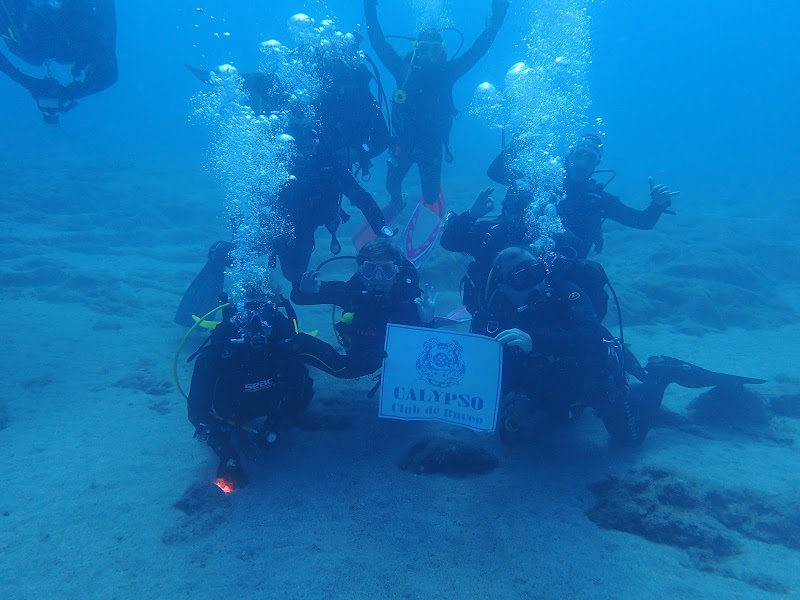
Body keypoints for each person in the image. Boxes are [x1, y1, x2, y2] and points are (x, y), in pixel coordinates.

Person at [483, 246, 765, 446]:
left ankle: (659, 373)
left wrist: (537, 341)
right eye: (522, 277)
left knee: (630, 440)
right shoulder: (496, 311)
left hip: (594, 378)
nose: (535, 283)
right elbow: (474, 354)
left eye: (536, 271)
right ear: (504, 286)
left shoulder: (565, 291)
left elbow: (591, 337)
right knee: (533, 430)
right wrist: (435, 319)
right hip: (548, 384)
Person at [364, 0, 509, 219]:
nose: (429, 54)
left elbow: (476, 52)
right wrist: (369, 6)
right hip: (402, 143)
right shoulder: (403, 71)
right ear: (416, 50)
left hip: (432, 146)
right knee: (391, 186)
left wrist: (496, 22)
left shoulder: (447, 72)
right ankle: (397, 201)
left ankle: (429, 202)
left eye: (434, 49)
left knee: (431, 196)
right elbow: (377, 43)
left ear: (442, 50)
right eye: (423, 48)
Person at [186, 290, 314, 490]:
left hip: (271, 403)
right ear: (233, 314)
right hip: (231, 412)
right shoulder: (215, 355)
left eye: (263, 312)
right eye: (246, 313)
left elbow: (298, 387)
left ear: (273, 312)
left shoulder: (287, 346)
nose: (256, 321)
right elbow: (197, 411)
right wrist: (227, 454)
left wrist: (275, 423)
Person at [487, 133, 680, 258]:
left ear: (597, 163)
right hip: (515, 254)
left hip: (567, 266)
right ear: (570, 154)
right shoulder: (542, 180)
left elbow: (642, 222)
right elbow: (495, 173)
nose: (584, 158)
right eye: (581, 152)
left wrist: (657, 205)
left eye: (591, 156)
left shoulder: (598, 199)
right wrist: (514, 148)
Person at [291, 239, 436, 378]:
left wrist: (428, 321)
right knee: (342, 369)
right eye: (369, 269)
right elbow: (298, 299)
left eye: (387, 269)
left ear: (397, 272)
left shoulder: (409, 298)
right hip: (366, 354)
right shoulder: (352, 292)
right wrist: (305, 291)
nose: (378, 277)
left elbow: (425, 345)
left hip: (399, 354)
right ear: (361, 272)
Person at [0, 0, 118, 124]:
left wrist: (66, 93)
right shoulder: (11, 14)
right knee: (32, 54)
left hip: (72, 38)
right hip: (47, 40)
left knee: (33, 54)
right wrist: (28, 82)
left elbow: (108, 73)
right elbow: (108, 73)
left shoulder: (84, 24)